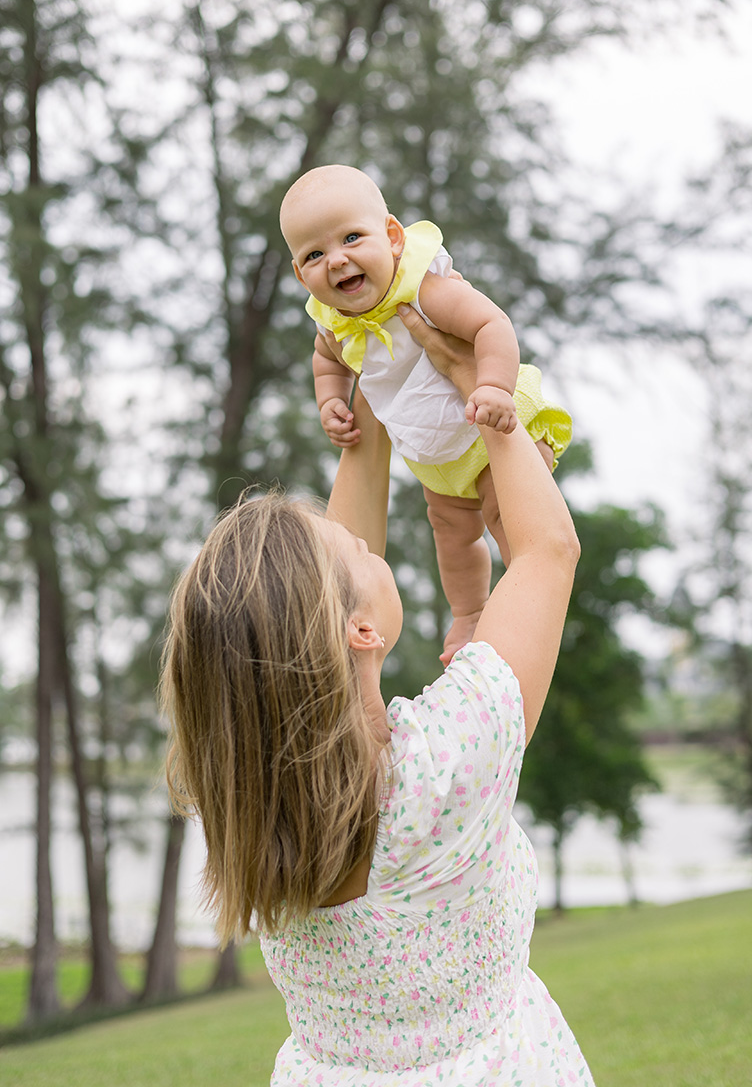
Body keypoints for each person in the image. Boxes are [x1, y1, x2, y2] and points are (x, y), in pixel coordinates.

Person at [160, 310, 594, 1087]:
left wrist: (377, 397)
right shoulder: (447, 758)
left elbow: (310, 627)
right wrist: (481, 391)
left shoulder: (239, 799)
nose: (365, 540)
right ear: (360, 630)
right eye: (361, 550)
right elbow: (547, 552)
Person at [279, 164, 573, 666]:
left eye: (352, 238)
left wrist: (495, 388)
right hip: (434, 452)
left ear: (392, 236)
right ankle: (469, 612)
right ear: (299, 273)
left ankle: (522, 607)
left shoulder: (421, 289)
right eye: (315, 254)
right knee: (450, 534)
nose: (337, 260)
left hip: (487, 423)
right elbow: (326, 362)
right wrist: (330, 399)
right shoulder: (332, 323)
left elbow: (491, 324)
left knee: (508, 520)